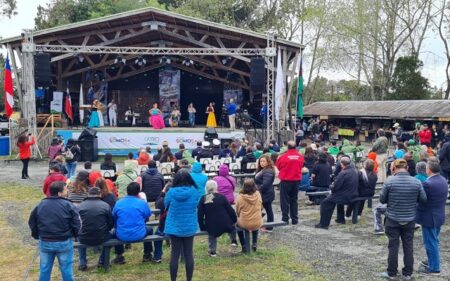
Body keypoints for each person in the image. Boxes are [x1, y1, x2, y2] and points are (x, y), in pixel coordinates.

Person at [379, 159, 427, 280]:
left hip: (392, 219)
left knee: (393, 246)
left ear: (394, 168)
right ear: (407, 168)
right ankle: (407, 273)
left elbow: (382, 200)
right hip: (409, 219)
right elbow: (423, 199)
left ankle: (392, 273)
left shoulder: (389, 181)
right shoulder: (416, 182)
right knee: (408, 246)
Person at [28, 181, 80, 281]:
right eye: (66, 189)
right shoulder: (69, 205)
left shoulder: (41, 205)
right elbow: (77, 223)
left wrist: (37, 235)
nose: (68, 190)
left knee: (44, 269)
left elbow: (32, 222)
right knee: (66, 270)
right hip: (64, 241)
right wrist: (75, 235)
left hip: (46, 241)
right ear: (59, 193)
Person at [164, 170, 200, 281]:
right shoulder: (194, 192)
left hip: (174, 226)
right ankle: (189, 279)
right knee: (189, 254)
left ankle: (173, 279)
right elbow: (197, 203)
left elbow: (166, 205)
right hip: (189, 226)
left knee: (174, 254)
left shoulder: (171, 192)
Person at [416, 159, 447, 275]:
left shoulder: (428, 184)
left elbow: (421, 199)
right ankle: (432, 261)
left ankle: (434, 267)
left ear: (429, 169)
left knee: (430, 242)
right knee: (434, 240)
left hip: (429, 217)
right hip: (439, 215)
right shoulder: (443, 180)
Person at [113, 182, 153, 264]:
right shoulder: (142, 203)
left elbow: (114, 216)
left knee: (115, 231)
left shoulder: (118, 203)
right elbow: (147, 215)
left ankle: (119, 256)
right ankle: (147, 254)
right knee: (150, 229)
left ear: (127, 191)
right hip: (139, 233)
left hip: (121, 234)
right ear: (138, 192)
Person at [77, 187, 116, 271]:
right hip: (102, 236)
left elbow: (77, 223)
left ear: (88, 194)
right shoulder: (105, 205)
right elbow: (110, 223)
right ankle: (102, 261)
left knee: (79, 236)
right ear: (100, 194)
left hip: (84, 237)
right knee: (112, 236)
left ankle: (82, 262)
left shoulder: (80, 206)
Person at [315, 157, 358, 229]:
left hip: (345, 195)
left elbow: (336, 186)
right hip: (353, 193)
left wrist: (331, 189)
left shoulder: (343, 173)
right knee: (336, 201)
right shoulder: (355, 171)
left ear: (341, 164)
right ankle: (340, 219)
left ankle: (323, 224)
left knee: (325, 202)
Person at [198, 180, 237, 256]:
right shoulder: (222, 197)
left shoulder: (204, 198)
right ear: (216, 187)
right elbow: (230, 210)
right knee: (232, 227)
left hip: (212, 225)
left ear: (206, 188)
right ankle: (233, 240)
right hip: (225, 223)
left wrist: (202, 226)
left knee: (211, 235)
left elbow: (200, 214)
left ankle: (212, 252)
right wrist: (234, 220)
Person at [276, 140, 304, 224]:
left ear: (287, 147)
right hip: (296, 181)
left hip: (285, 181)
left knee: (284, 200)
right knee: (294, 200)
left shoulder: (282, 157)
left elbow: (278, 166)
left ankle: (285, 218)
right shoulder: (300, 156)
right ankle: (295, 219)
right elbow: (301, 165)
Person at [236, 179, 263, 253]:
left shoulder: (240, 197)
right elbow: (261, 207)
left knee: (238, 225)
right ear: (254, 186)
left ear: (244, 186)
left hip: (244, 223)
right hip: (257, 222)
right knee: (255, 222)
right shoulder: (258, 194)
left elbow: (237, 211)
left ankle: (243, 245)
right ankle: (254, 243)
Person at [254, 154, 275, 232]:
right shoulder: (263, 170)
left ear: (268, 162)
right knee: (260, 209)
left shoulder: (268, 171)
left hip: (266, 194)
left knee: (268, 210)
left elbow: (265, 184)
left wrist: (257, 190)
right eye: (260, 161)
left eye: (264, 161)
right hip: (263, 193)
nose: (262, 163)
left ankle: (270, 227)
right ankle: (258, 223)